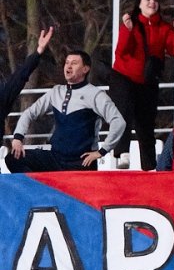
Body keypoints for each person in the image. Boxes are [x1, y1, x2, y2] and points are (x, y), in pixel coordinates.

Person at [109, 0, 174, 171]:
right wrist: (128, 31)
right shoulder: (131, 23)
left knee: (146, 122)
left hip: (147, 79)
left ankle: (150, 166)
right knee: (124, 111)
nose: (152, 2)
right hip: (124, 76)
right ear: (139, 4)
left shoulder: (164, 27)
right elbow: (121, 52)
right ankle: (122, 153)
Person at [8, 46, 126, 174]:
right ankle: (40, 191)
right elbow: (29, 113)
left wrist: (102, 151)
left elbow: (118, 121)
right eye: (67, 63)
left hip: (80, 162)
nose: (68, 66)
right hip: (55, 157)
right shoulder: (56, 91)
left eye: (74, 63)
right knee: (13, 158)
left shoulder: (95, 94)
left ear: (85, 69)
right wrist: (18, 138)